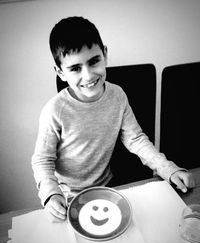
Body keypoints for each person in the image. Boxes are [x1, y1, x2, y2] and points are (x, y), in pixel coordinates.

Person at [31, 16, 195, 222]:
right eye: (75, 68)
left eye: (94, 61)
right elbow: (42, 160)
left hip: (110, 189)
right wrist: (50, 193)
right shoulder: (54, 110)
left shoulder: (118, 95)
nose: (88, 75)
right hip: (69, 198)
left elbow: (136, 139)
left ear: (105, 55)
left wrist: (168, 168)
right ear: (60, 72)